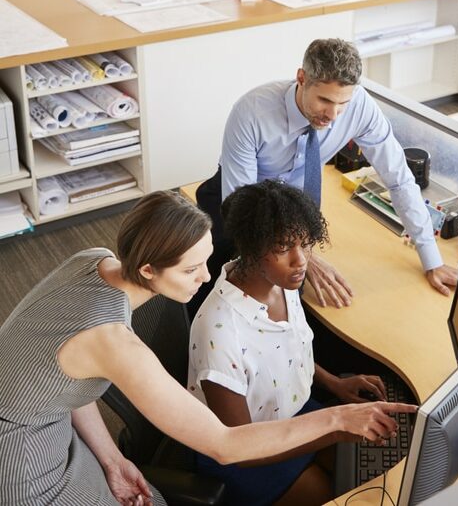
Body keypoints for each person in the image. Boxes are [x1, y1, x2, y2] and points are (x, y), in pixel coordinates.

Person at [0, 190, 401, 506]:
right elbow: (224, 445)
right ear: (147, 270)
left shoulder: (94, 260)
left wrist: (113, 459)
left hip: (43, 418)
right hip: (22, 466)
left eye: (206, 261)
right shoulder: (114, 342)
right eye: (191, 270)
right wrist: (337, 420)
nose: (206, 278)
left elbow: (69, 380)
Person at [189, 181, 413, 506]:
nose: (300, 260)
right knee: (337, 494)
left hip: (294, 414)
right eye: (283, 247)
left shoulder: (283, 283)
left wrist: (335, 384)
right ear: (251, 247)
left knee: (367, 471)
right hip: (246, 451)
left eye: (306, 244)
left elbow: (288, 351)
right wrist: (332, 429)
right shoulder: (220, 332)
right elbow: (236, 447)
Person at [196, 38, 458, 309]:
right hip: (240, 204)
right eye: (324, 100)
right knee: (225, 292)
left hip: (294, 207)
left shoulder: (359, 107)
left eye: (342, 103)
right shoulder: (251, 112)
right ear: (301, 78)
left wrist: (432, 259)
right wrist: (304, 257)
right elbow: (243, 210)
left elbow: (399, 179)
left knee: (295, 301)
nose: (333, 114)